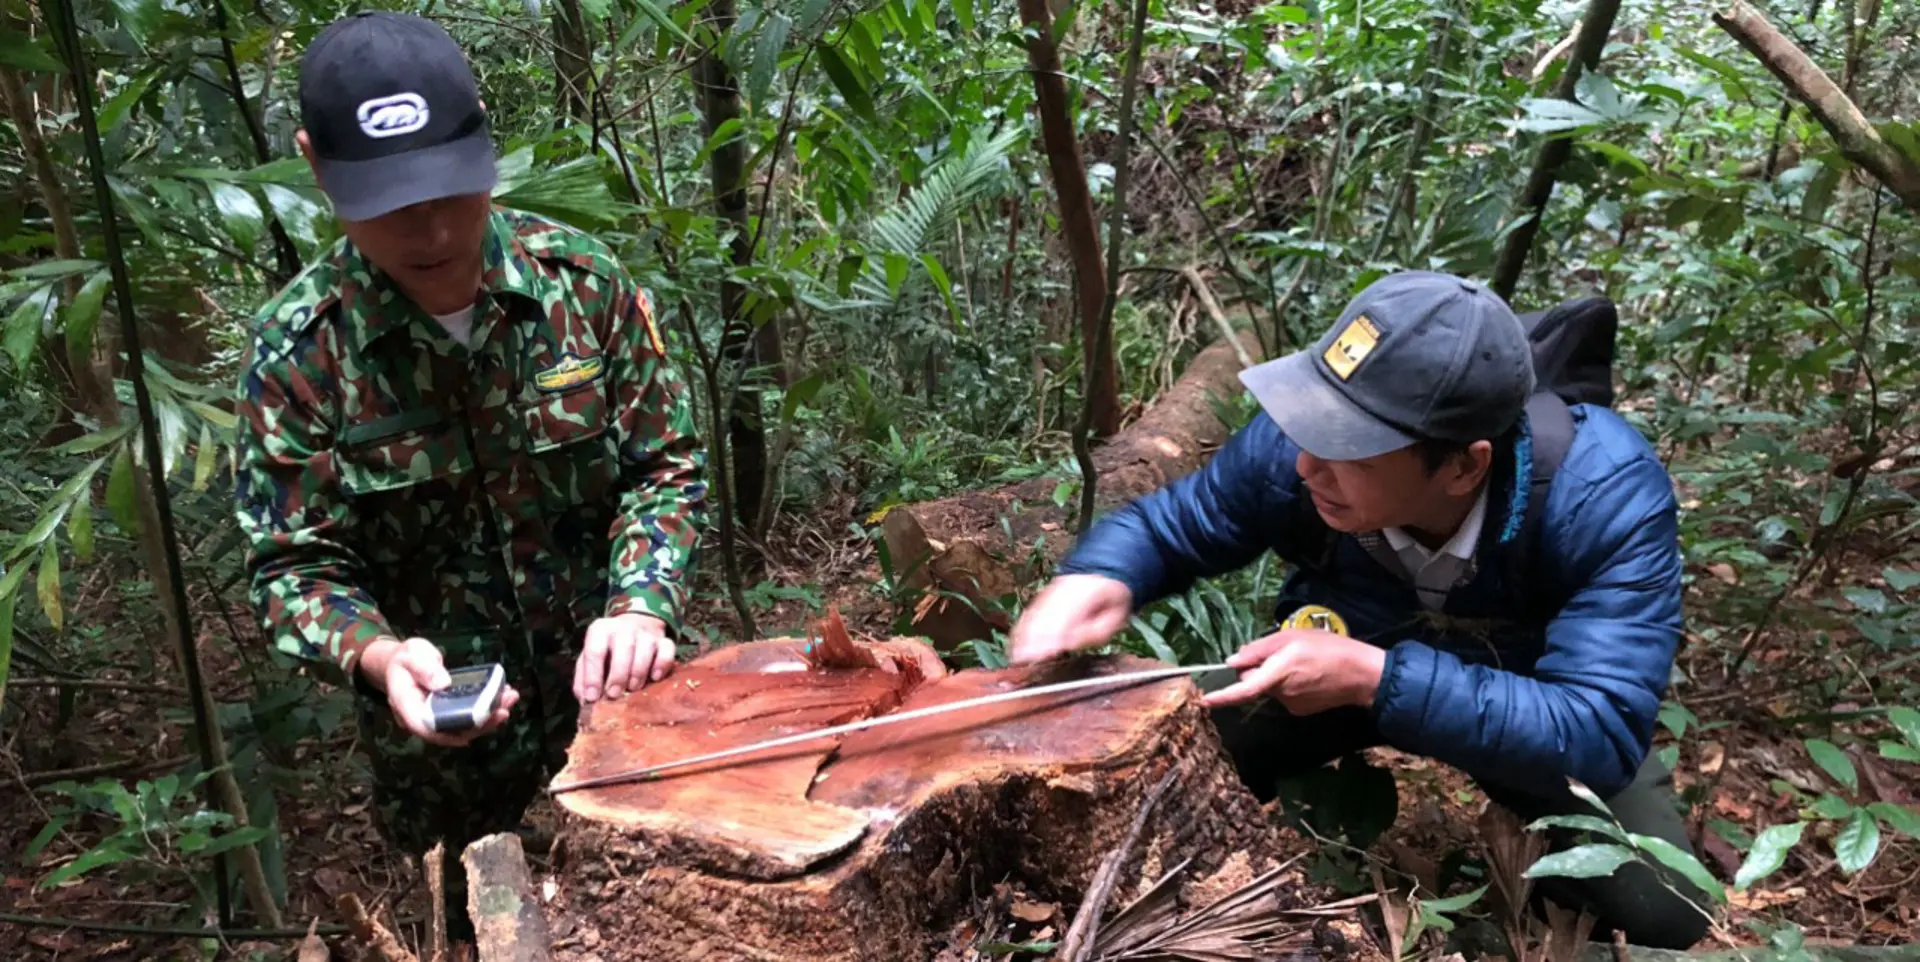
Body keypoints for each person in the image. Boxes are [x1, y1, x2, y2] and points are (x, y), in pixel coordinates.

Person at [1008, 271, 1710, 950]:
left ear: (1465, 466)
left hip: (1518, 700)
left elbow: (1600, 727)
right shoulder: (1300, 451)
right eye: (1315, 425)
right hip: (1323, 669)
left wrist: (1378, 678)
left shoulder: (1603, 494)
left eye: (1350, 448)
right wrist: (1100, 574)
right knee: (1141, 767)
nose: (1307, 465)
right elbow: (1177, 526)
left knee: (1663, 904)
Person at [231, 11, 706, 937]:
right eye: (389, 199)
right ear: (317, 167)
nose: (430, 226)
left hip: (631, 730)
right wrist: (380, 655)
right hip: (445, 785)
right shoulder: (299, 355)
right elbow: (294, 568)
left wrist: (644, 601)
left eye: (450, 186)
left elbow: (666, 466)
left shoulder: (584, 286)